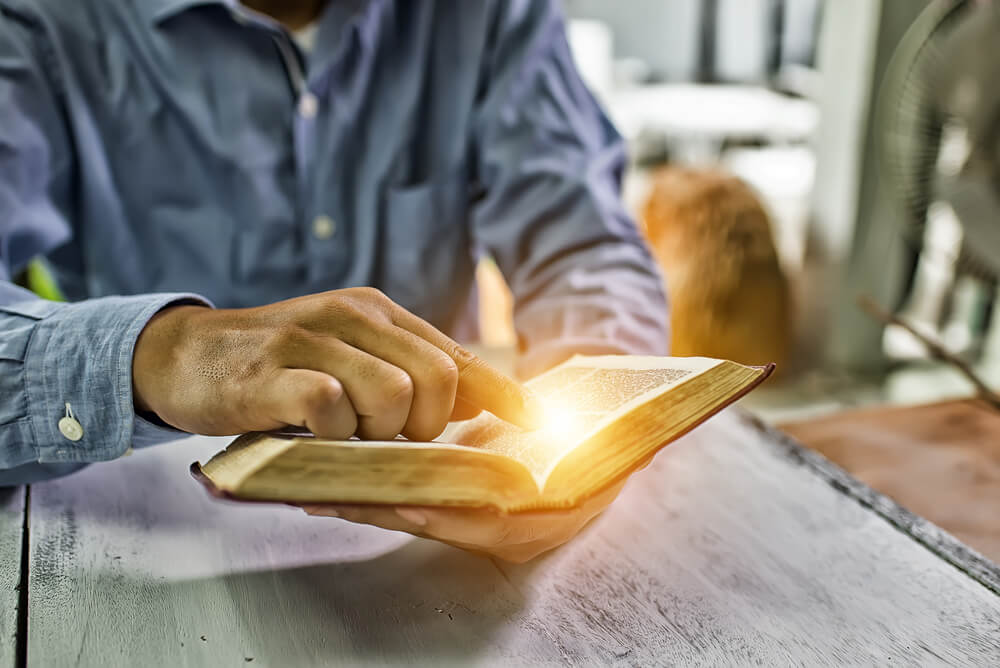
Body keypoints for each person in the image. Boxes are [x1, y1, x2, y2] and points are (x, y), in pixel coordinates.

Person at [0, 0, 667, 562]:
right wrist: (164, 354)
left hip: (451, 552)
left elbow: (587, 250)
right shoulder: (43, 22)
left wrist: (589, 453)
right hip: (142, 545)